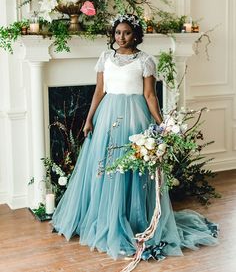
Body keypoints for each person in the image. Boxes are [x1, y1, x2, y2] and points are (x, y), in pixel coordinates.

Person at [51, 14, 218, 260]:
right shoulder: (105, 58)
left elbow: (150, 96)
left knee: (132, 169)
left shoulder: (146, 61)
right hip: (107, 117)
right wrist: (88, 119)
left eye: (127, 32)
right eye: (118, 33)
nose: (121, 37)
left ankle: (132, 218)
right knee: (105, 168)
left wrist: (163, 125)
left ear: (136, 34)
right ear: (113, 35)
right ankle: (104, 217)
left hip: (134, 119)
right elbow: (98, 91)